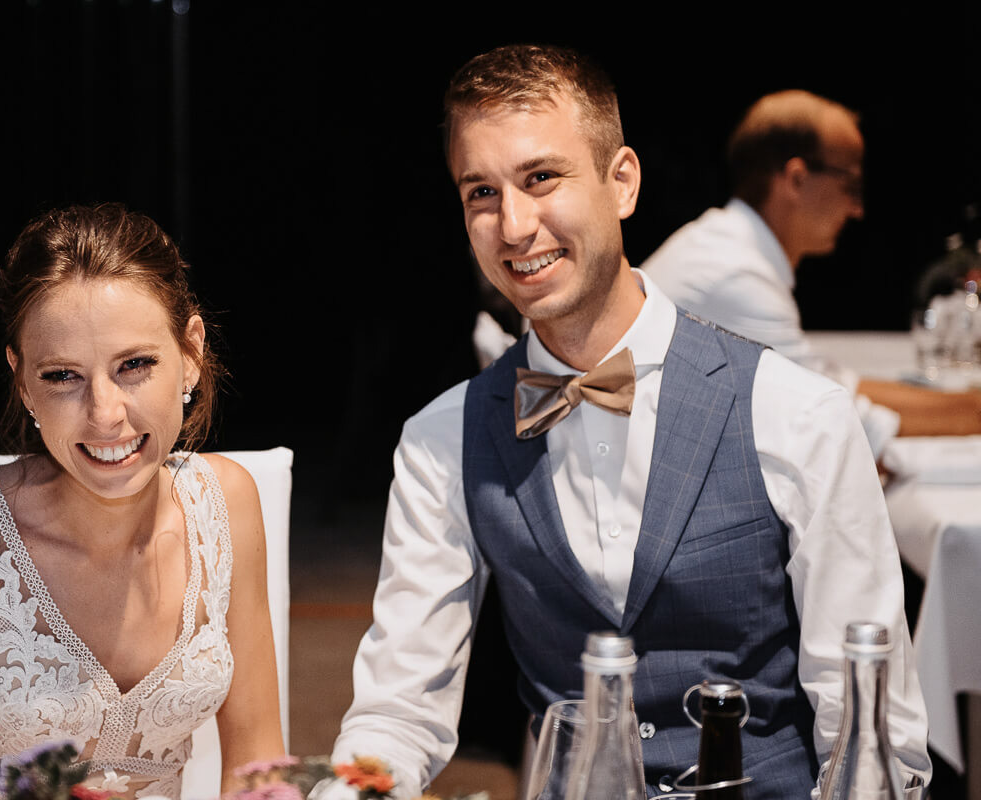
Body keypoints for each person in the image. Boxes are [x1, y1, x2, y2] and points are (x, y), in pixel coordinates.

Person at [332, 45, 930, 798]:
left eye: (541, 178)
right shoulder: (440, 440)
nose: (513, 225)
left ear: (622, 182)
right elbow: (398, 710)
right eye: (482, 191)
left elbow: (874, 730)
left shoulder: (796, 413)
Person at [0, 203, 284, 800]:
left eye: (134, 365)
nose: (105, 415)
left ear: (191, 352)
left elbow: (259, 771)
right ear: (22, 380)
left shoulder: (226, 501)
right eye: (63, 376)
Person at [644, 90, 981, 452]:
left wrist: (968, 405)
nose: (857, 210)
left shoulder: (726, 246)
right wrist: (970, 412)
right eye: (851, 185)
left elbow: (834, 386)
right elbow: (835, 418)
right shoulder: (734, 273)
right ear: (797, 179)